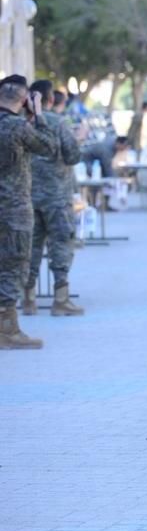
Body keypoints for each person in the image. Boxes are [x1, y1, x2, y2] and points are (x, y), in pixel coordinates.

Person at [0, 75, 57, 349]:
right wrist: (39, 114)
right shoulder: (18, 128)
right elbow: (50, 147)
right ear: (24, 100)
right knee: (14, 267)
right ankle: (8, 331)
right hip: (14, 211)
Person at [22, 80, 84, 317]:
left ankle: (28, 299)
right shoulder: (58, 123)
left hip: (26, 196)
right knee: (61, 244)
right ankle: (61, 299)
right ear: (50, 100)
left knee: (30, 246)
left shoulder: (18, 123)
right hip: (57, 196)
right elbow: (73, 156)